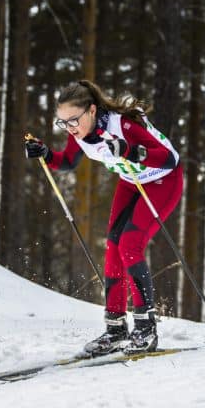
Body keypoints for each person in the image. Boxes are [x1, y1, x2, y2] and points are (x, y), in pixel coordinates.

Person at [24, 80, 183, 355]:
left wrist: (132, 151)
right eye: (63, 122)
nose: (70, 128)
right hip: (130, 182)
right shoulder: (79, 132)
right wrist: (45, 153)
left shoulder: (124, 125)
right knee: (112, 248)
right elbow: (67, 162)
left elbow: (168, 158)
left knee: (130, 245)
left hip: (162, 181)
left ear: (92, 110)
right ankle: (116, 329)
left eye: (73, 120)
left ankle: (146, 329)